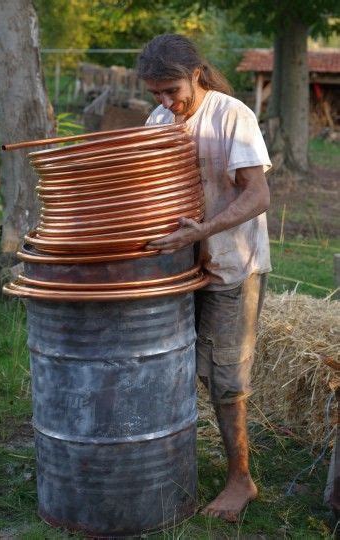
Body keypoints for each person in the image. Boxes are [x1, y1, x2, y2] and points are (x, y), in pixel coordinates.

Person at [136, 34, 272, 522]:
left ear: (196, 73)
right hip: (178, 269)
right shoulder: (157, 120)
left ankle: (242, 479)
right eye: (156, 94)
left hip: (230, 265)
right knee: (175, 369)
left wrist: (207, 228)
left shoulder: (231, 114)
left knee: (226, 376)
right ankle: (176, 461)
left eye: (172, 90)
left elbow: (258, 195)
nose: (166, 103)